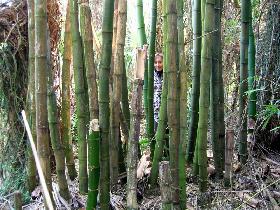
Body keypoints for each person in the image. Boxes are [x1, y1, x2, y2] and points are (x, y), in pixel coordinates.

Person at [153, 53, 163, 132]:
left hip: (167, 111)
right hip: (155, 113)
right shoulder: (151, 74)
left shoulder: (169, 74)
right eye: (155, 62)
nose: (157, 64)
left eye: (160, 62)